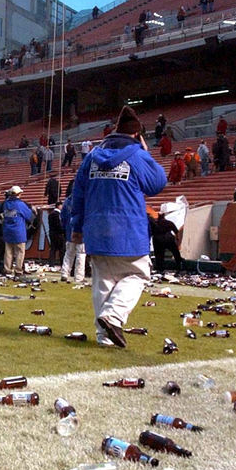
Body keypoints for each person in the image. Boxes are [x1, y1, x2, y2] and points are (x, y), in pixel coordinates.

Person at [69, 106, 167, 348]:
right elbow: (157, 183)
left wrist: (77, 227)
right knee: (137, 274)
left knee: (103, 281)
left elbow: (77, 195)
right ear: (136, 134)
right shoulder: (136, 154)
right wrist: (146, 153)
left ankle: (104, 337)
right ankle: (112, 318)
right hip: (127, 229)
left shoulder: (91, 156)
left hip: (96, 228)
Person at [2, 185, 35, 276]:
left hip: (7, 230)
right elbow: (29, 216)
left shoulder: (6, 203)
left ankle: (7, 269)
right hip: (18, 231)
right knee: (20, 252)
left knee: (8, 252)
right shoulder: (20, 204)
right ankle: (18, 270)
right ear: (18, 194)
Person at [59, 187, 86, 284]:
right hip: (81, 231)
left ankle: (64, 273)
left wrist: (65, 227)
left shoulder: (67, 201)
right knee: (81, 255)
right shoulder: (84, 201)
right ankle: (78, 277)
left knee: (69, 254)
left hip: (69, 230)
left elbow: (62, 217)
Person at [148, 208, 183, 273]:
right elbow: (176, 232)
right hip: (168, 239)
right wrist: (178, 241)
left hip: (157, 240)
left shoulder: (155, 224)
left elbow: (151, 232)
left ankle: (160, 269)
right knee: (175, 252)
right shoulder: (169, 223)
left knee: (159, 256)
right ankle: (179, 265)